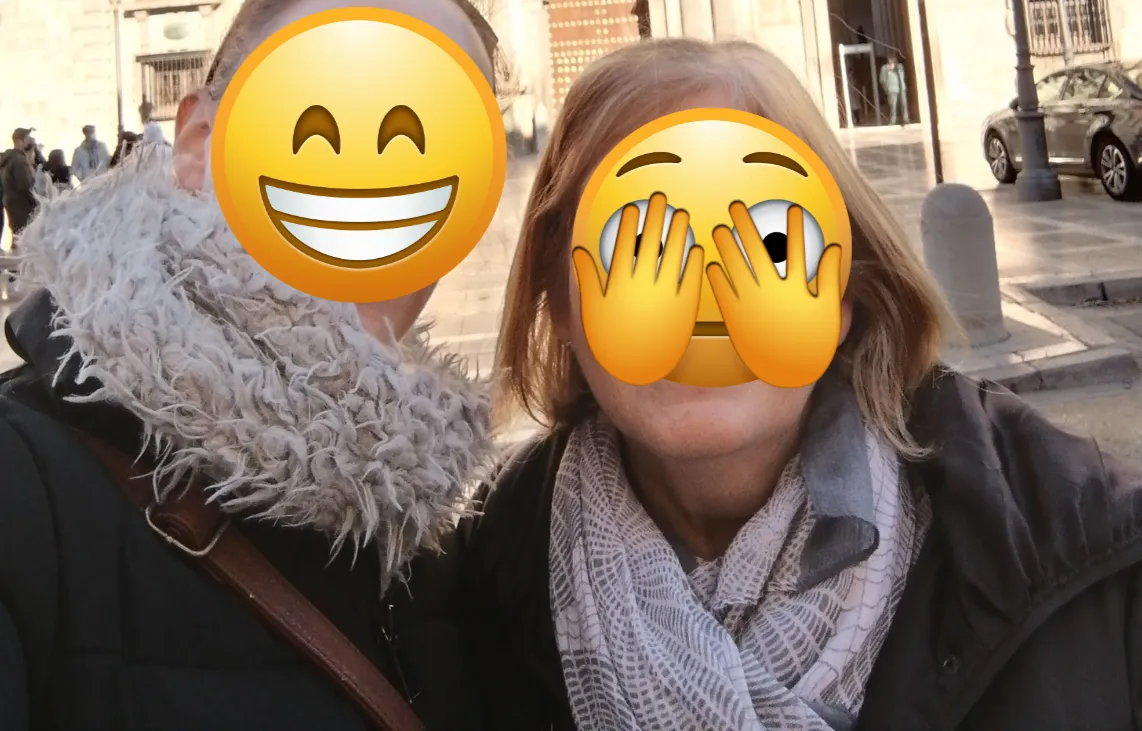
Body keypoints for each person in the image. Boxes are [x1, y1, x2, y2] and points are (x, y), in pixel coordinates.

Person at [397, 38, 1142, 731]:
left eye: (771, 240)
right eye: (644, 241)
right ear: (559, 299)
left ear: (843, 293)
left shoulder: (1087, 548)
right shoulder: (460, 594)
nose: (706, 294)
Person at [0, 0, 508, 730]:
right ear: (198, 141)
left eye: (435, 132)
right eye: (317, 98)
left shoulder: (457, 547)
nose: (366, 161)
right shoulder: (23, 489)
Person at [0, 130, 37, 247]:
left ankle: (14, 261)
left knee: (17, 233)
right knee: (24, 236)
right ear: (19, 141)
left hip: (9, 200)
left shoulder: (7, 159)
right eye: (27, 139)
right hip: (21, 203)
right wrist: (36, 201)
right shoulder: (19, 160)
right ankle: (18, 263)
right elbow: (26, 184)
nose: (29, 142)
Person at [879, 52, 909, 127]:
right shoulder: (885, 68)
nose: (892, 60)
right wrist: (886, 89)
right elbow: (882, 80)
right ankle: (893, 120)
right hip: (892, 89)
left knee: (904, 104)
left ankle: (906, 119)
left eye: (894, 59)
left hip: (901, 88)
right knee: (893, 105)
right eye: (891, 59)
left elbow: (902, 73)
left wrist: (894, 67)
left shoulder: (900, 66)